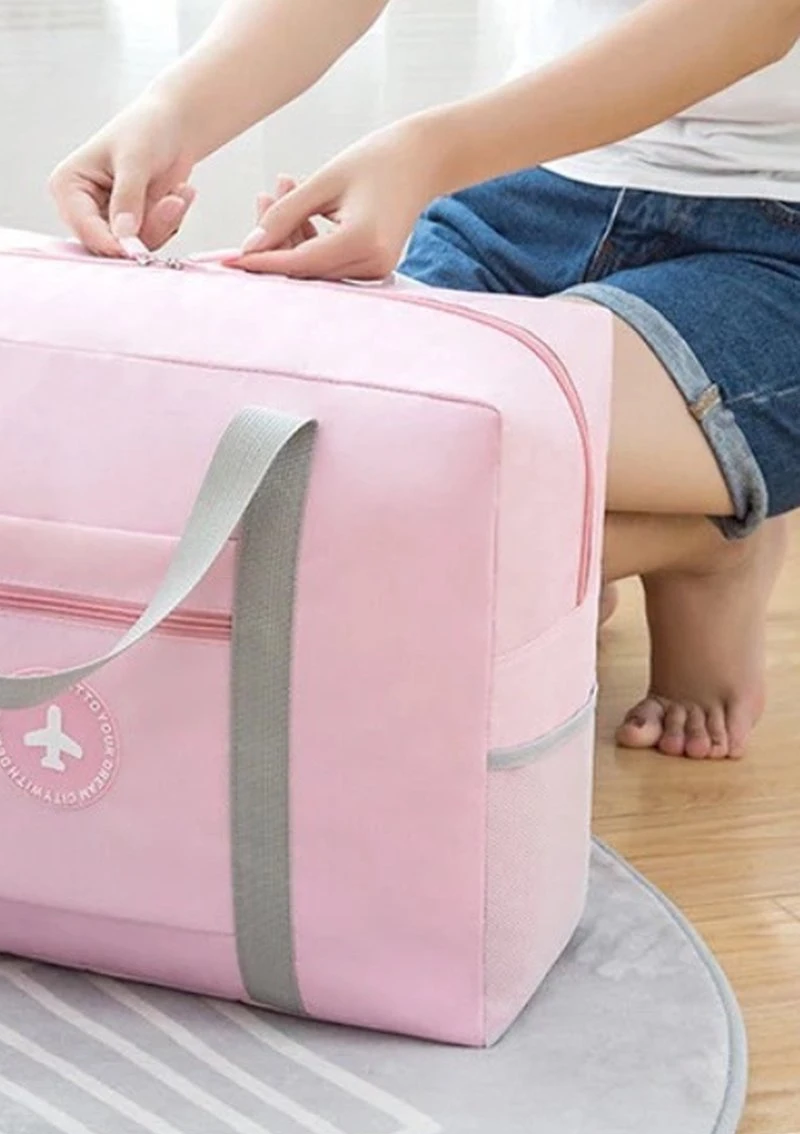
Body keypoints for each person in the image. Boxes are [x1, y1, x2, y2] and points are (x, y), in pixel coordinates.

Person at [50, 0, 800, 761]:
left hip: (778, 243)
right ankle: (626, 528)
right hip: (529, 191)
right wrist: (173, 112)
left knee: (439, 474)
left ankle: (707, 546)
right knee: (319, 453)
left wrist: (427, 152)